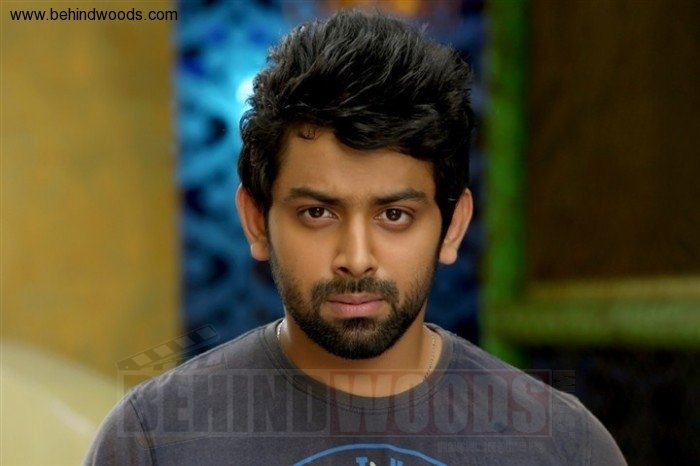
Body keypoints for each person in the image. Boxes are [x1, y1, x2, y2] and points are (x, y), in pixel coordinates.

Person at [85, 10, 627, 465]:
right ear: (256, 220)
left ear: (452, 226)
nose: (357, 258)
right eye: (318, 212)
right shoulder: (153, 441)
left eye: (394, 215)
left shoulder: (563, 446)